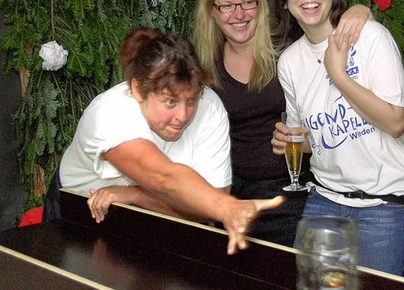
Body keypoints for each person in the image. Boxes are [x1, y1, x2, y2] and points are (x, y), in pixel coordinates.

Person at [269, 0, 404, 275]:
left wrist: (339, 75)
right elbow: (316, 141)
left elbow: (395, 123)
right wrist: (291, 142)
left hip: (385, 204)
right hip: (325, 199)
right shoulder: (289, 62)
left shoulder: (370, 37)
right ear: (285, 1)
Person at [57, 27, 282, 254]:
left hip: (157, 221)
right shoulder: (109, 113)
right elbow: (163, 178)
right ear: (138, 89)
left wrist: (135, 195)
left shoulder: (210, 107)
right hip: (79, 215)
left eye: (191, 100)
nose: (183, 116)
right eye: (170, 102)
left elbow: (206, 210)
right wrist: (225, 207)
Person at [193, 0, 371, 247]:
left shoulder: (288, 43)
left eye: (247, 3)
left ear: (260, 5)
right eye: (226, 5)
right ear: (212, 11)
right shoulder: (205, 63)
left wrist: (359, 12)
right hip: (234, 196)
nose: (239, 14)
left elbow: (330, 24)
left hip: (292, 192)